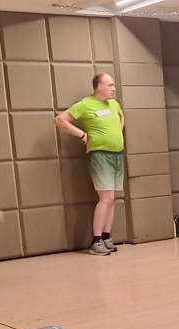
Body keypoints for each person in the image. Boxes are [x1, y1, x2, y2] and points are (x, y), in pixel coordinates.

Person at [55, 72, 125, 256]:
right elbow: (60, 120)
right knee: (106, 198)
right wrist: (81, 134)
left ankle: (107, 237)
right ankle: (96, 241)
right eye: (110, 85)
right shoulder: (85, 104)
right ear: (99, 86)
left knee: (112, 198)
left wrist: (116, 132)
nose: (113, 88)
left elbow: (121, 117)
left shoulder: (114, 104)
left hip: (117, 155)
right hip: (100, 155)